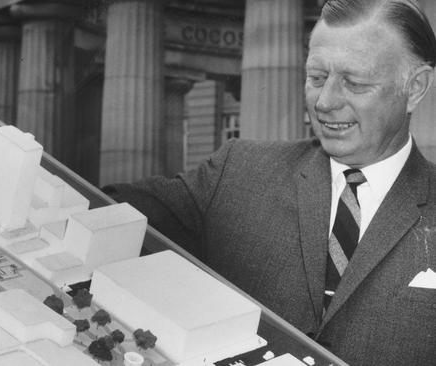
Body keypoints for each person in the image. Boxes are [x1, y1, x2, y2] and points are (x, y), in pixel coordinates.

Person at [104, 0, 436, 364]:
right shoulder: (239, 172)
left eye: (355, 83)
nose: (324, 102)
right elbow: (103, 212)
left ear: (415, 88)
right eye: (316, 78)